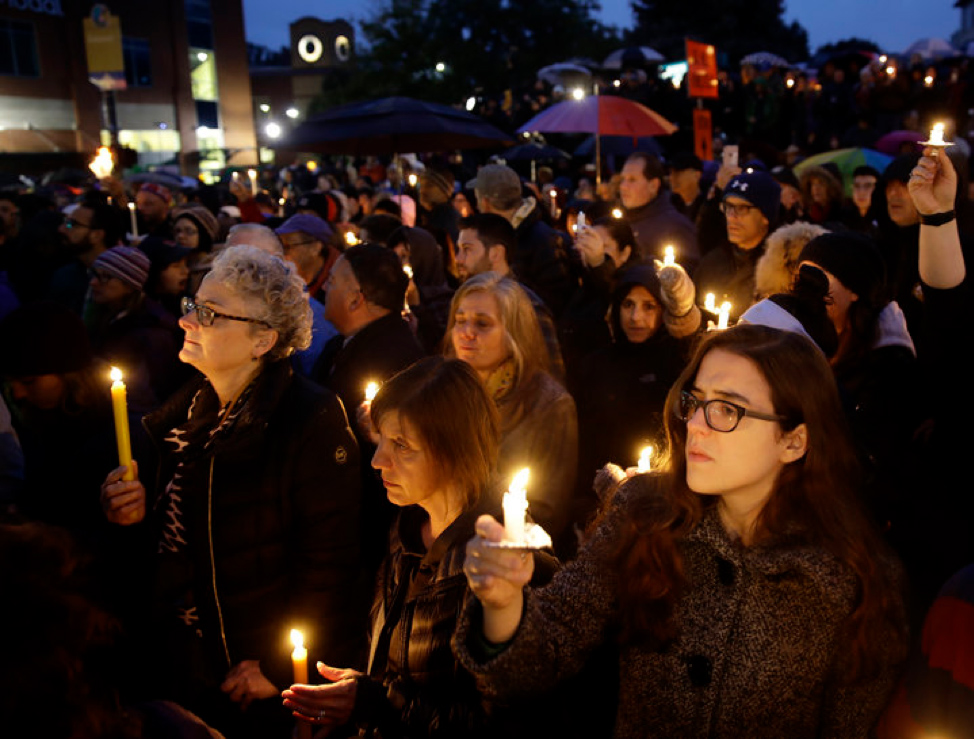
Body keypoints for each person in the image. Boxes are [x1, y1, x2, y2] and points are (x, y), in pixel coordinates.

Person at [457, 324, 908, 737]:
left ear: (794, 441)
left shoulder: (854, 580)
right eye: (694, 402)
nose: (693, 424)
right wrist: (503, 605)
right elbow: (538, 660)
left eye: (727, 409)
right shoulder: (643, 514)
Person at [99, 245, 365, 738]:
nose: (187, 323)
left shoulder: (308, 419)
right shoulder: (182, 415)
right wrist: (128, 516)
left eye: (210, 315)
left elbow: (332, 563)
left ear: (262, 338)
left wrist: (279, 667)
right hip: (173, 654)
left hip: (244, 671)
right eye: (192, 307)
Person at [282, 357, 556, 738]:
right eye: (381, 440)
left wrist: (376, 703)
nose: (378, 460)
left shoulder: (504, 565)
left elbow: (501, 724)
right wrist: (357, 695)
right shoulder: (407, 531)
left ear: (456, 450)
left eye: (402, 446)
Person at [444, 273, 577, 553]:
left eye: (482, 323)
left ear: (514, 332)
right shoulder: (441, 389)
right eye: (460, 320)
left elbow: (548, 512)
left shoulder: (549, 405)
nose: (467, 332)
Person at [571, 261, 701, 540]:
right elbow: (585, 440)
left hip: (661, 505)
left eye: (648, 306)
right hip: (599, 502)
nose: (636, 317)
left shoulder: (675, 367)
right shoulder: (596, 364)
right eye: (628, 305)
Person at [467, 164, 573, 316]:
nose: (476, 207)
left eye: (477, 199)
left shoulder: (541, 238)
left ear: (486, 203)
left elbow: (556, 299)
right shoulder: (509, 234)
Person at [694, 169, 782, 320]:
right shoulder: (712, 262)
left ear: (765, 216)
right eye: (728, 207)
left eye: (742, 208)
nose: (732, 217)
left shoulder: (779, 271)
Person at [618, 152, 700, 271]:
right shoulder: (623, 221)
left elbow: (689, 275)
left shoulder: (675, 226)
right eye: (623, 179)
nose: (623, 186)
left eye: (632, 180)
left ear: (653, 185)